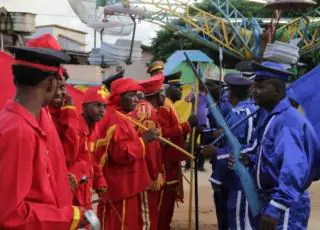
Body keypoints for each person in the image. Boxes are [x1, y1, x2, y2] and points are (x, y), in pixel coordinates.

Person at [0, 46, 84, 229]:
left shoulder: (19, 121)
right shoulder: (19, 131)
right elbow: (11, 215)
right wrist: (71, 217)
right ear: (50, 84)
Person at [240, 61, 318, 229]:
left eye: (260, 86)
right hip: (274, 199)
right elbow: (275, 157)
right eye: (254, 85)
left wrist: (277, 207)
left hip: (286, 206)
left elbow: (294, 168)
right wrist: (253, 159)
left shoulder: (288, 121)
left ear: (276, 90)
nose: (254, 91)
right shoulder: (274, 117)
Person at [95, 78, 160, 230]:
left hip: (122, 184)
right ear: (119, 96)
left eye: (136, 95)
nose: (136, 99)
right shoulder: (115, 118)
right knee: (123, 223)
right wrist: (144, 139)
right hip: (122, 184)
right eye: (131, 95)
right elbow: (120, 154)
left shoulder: (120, 115)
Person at [202, 73, 258, 230]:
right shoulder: (246, 110)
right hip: (237, 174)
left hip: (238, 176)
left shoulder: (241, 113)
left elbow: (240, 148)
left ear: (231, 93)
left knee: (237, 221)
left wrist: (215, 152)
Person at [157, 78, 198, 230]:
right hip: (166, 162)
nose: (181, 91)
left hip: (173, 160)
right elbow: (163, 133)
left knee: (171, 196)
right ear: (169, 89)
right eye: (178, 88)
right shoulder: (164, 107)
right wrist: (187, 125)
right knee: (165, 198)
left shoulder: (171, 106)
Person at [129, 73, 166, 230]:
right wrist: (154, 173)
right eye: (163, 92)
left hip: (139, 170)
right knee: (148, 217)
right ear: (158, 95)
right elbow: (150, 147)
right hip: (145, 173)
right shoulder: (149, 112)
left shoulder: (141, 108)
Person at [68, 86, 108, 210]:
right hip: (73, 188)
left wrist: (99, 178)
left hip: (86, 187)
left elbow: (93, 159)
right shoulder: (74, 128)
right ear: (84, 107)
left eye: (104, 106)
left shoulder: (95, 129)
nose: (102, 110)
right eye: (97, 105)